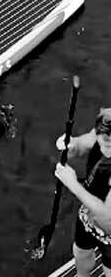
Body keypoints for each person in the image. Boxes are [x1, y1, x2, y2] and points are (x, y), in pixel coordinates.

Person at [55, 107, 111, 277]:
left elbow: (108, 218)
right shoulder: (106, 123)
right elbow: (83, 144)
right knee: (81, 252)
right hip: (87, 216)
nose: (106, 151)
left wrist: (72, 184)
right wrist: (70, 145)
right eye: (104, 144)